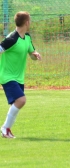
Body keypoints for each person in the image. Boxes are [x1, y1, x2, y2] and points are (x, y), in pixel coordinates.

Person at [0, 11, 41, 139]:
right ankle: (5, 128)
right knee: (21, 100)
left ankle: (6, 129)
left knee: (18, 102)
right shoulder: (12, 39)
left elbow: (31, 52)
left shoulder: (27, 38)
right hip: (7, 76)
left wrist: (35, 55)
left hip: (19, 78)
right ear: (27, 22)